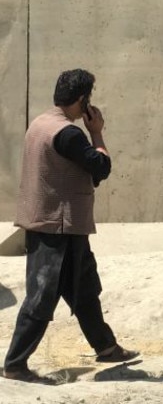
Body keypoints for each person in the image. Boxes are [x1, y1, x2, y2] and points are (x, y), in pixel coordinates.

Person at [4, 69, 138, 383]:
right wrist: (98, 133)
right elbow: (101, 167)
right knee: (42, 296)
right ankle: (15, 364)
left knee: (84, 289)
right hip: (59, 226)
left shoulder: (40, 123)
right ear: (82, 100)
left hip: (56, 223)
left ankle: (106, 347)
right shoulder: (69, 133)